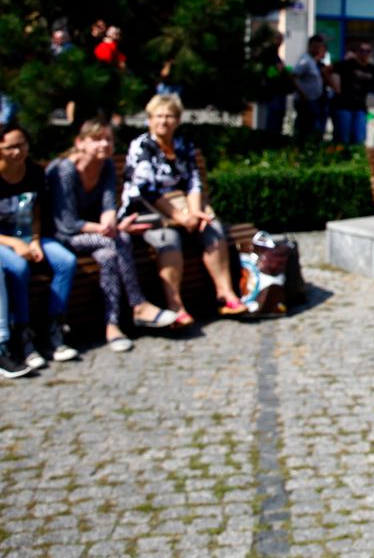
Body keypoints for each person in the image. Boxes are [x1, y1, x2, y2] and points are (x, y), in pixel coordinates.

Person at [45, 120, 177, 352]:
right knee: (120, 240)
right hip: (64, 236)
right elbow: (67, 224)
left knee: (108, 257)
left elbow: (108, 205)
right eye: (96, 139)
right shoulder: (64, 170)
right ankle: (138, 304)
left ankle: (112, 325)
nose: (104, 144)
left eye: (108, 139)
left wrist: (110, 222)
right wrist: (106, 229)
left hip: (96, 235)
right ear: (80, 143)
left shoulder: (105, 166)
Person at [120, 95, 247, 324]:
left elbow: (193, 183)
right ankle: (175, 304)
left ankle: (225, 293)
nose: (164, 121)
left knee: (212, 227)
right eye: (158, 116)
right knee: (169, 238)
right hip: (147, 210)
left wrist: (195, 213)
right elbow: (147, 190)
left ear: (178, 120)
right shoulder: (142, 146)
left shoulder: (183, 145)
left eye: (169, 116)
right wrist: (181, 217)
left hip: (182, 207)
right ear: (149, 120)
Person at [0, 123, 79, 370]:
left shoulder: (34, 173)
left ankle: (53, 330)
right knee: (19, 267)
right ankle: (23, 337)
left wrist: (34, 240)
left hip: (28, 237)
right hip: (4, 241)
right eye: (10, 147)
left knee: (66, 261)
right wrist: (14, 243)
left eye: (21, 145)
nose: (17, 152)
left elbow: (36, 213)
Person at [328, 41, 374, 145]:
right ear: (356, 52)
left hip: (360, 108)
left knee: (359, 139)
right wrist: (335, 87)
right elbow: (326, 71)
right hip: (343, 107)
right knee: (343, 139)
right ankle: (341, 160)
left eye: (367, 51)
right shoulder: (346, 64)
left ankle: (356, 160)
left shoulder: (372, 69)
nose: (365, 53)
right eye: (362, 51)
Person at [292, 35, 329, 141]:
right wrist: (303, 94)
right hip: (306, 102)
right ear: (309, 46)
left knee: (313, 130)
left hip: (313, 100)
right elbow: (293, 77)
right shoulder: (305, 60)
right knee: (304, 130)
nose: (317, 50)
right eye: (315, 47)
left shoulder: (312, 61)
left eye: (319, 47)